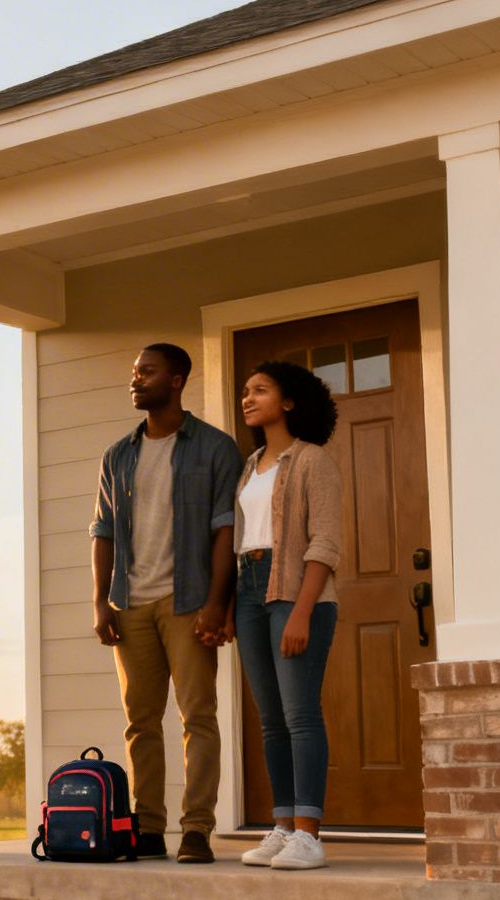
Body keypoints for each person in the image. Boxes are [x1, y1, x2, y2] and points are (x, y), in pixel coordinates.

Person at [90, 343, 243, 864]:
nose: (136, 380)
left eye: (147, 372)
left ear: (176, 380)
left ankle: (197, 829)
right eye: (133, 372)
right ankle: (148, 829)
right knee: (141, 722)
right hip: (130, 603)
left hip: (188, 600)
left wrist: (216, 604)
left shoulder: (216, 449)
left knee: (198, 716)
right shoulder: (118, 455)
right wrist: (100, 602)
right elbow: (103, 532)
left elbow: (226, 532)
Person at [231, 359, 343, 871]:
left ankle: (309, 834)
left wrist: (301, 610)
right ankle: (281, 825)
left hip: (296, 591)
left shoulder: (312, 460)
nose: (248, 398)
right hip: (249, 588)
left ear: (289, 401)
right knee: (270, 720)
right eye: (245, 392)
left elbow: (325, 542)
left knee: (300, 714)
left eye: (260, 390)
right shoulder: (250, 463)